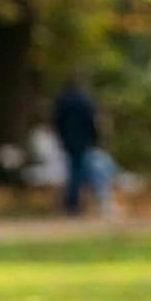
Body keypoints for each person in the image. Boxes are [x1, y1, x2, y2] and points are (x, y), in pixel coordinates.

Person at [53, 77, 98, 216]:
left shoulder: (63, 101)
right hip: (82, 141)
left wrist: (61, 137)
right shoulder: (85, 101)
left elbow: (57, 121)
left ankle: (72, 201)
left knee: (72, 170)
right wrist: (94, 138)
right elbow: (91, 122)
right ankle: (75, 202)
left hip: (68, 140)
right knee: (78, 171)